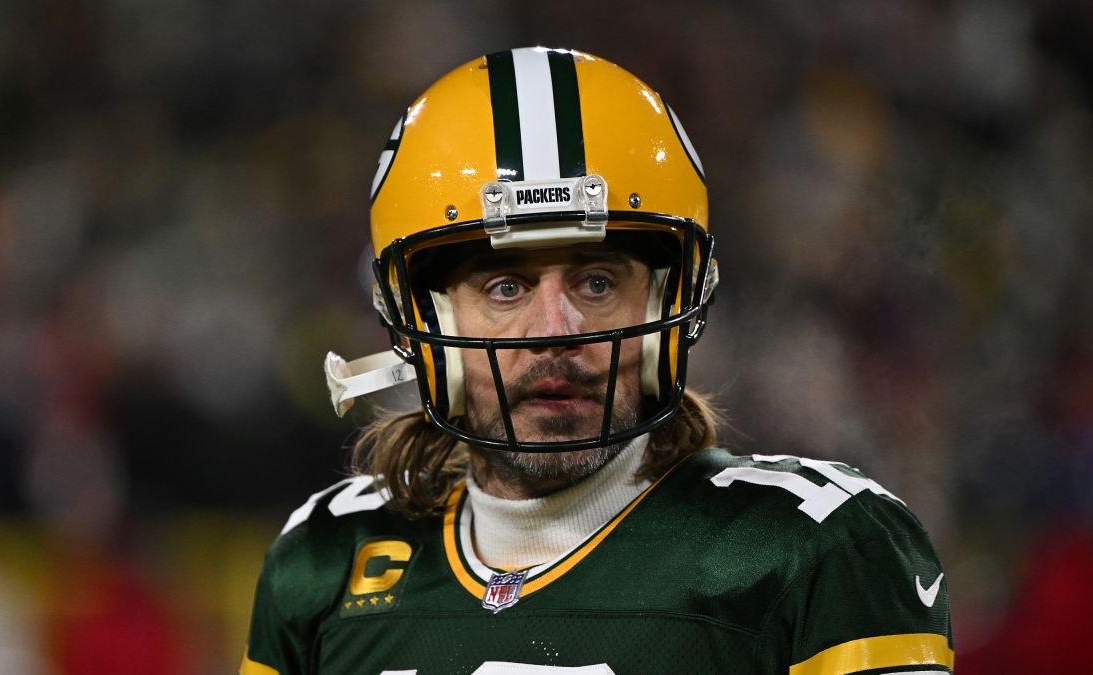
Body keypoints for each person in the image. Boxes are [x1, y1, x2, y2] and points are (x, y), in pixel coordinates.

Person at [240, 47, 953, 675]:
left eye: (597, 282)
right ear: (424, 319)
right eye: (506, 286)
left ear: (667, 300)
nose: (556, 329)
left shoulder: (817, 550)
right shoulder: (326, 559)